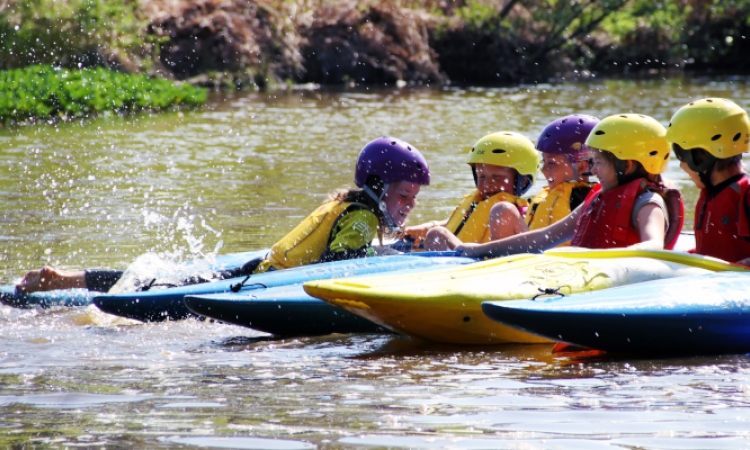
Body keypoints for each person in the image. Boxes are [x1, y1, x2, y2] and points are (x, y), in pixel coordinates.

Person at [16, 136, 430, 293]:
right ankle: (63, 279)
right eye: (404, 197)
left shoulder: (353, 204)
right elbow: (341, 263)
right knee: (156, 289)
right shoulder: (361, 219)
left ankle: (66, 277)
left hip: (263, 267)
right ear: (378, 188)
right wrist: (396, 260)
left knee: (167, 277)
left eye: (413, 199)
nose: (409, 206)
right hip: (264, 279)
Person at [456, 114, 684, 258]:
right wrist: (478, 249)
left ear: (628, 164)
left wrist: (590, 259)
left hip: (613, 286)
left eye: (599, 163)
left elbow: (653, 246)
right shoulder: (596, 199)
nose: (593, 171)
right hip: (583, 278)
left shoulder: (648, 203)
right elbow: (544, 237)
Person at [403, 131, 539, 250]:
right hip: (460, 260)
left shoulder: (519, 214)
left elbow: (530, 242)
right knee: (434, 233)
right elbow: (462, 222)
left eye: (497, 177)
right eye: (481, 176)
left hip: (490, 263)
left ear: (524, 180)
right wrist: (428, 227)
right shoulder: (476, 202)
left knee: (436, 234)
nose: (487, 184)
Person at [666, 98, 750, 264]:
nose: (681, 165)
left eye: (682, 156)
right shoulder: (710, 194)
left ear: (702, 156)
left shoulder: (745, 194)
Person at [524, 114, 598, 243]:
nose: (543, 169)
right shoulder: (548, 196)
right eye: (543, 162)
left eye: (551, 163)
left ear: (581, 167)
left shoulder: (586, 201)